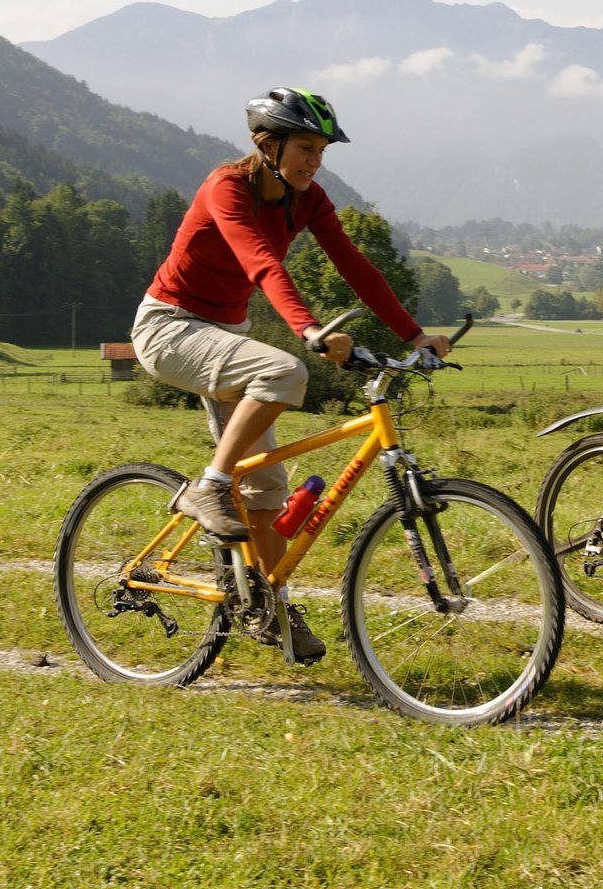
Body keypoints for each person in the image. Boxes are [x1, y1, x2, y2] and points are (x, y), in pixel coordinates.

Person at [130, 87, 451, 663]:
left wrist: (412, 334)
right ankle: (208, 487)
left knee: (268, 488)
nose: (315, 160)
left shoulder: (308, 199)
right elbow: (263, 262)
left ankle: (264, 606)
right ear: (267, 144)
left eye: (321, 149)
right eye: (305, 146)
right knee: (283, 372)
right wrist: (308, 330)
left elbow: (354, 265)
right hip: (170, 327)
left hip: (224, 333)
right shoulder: (226, 187)